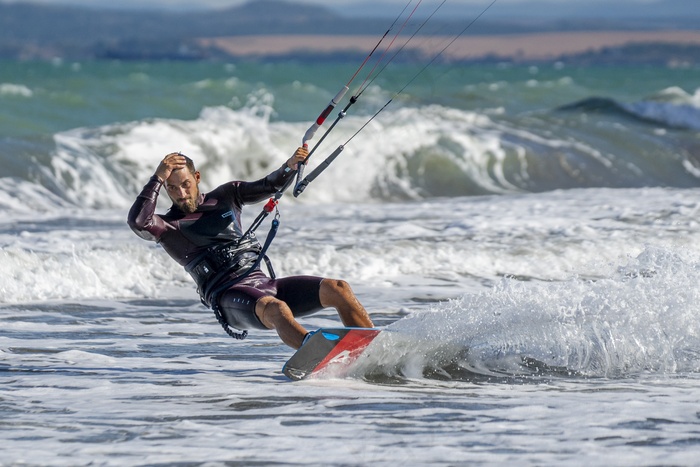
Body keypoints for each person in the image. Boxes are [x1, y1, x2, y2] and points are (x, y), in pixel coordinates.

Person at [127, 147, 374, 349]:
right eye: (172, 187)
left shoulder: (226, 196)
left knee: (337, 288)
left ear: (197, 178)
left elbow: (269, 185)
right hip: (228, 296)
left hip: (264, 284)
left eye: (186, 184)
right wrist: (157, 178)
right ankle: (315, 354)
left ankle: (370, 347)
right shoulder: (167, 226)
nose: (181, 193)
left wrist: (290, 165)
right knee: (277, 309)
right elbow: (138, 221)